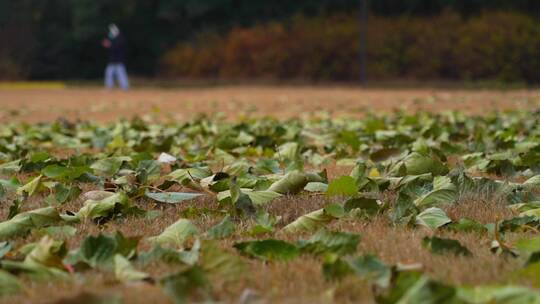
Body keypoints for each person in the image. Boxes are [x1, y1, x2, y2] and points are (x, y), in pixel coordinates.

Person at [102, 24, 130, 90]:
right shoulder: (112, 39)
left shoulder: (120, 39)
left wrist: (109, 45)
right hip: (112, 60)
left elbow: (116, 47)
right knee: (109, 74)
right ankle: (109, 87)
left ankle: (125, 87)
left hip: (119, 60)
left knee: (121, 75)